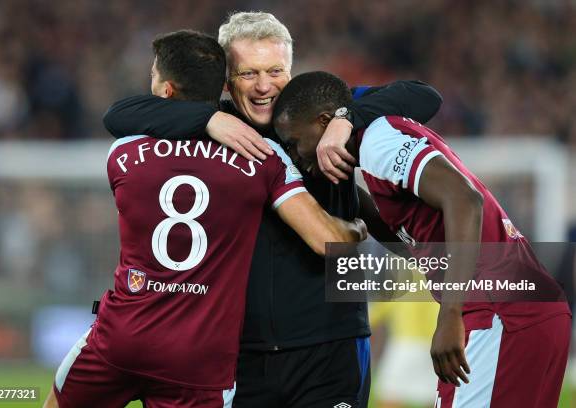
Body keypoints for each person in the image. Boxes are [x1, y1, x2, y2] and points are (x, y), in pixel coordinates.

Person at [103, 12, 443, 407]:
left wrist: (346, 120)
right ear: (227, 80)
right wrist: (210, 119)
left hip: (330, 346)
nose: (265, 86)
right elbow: (119, 115)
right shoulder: (210, 127)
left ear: (291, 69)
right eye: (249, 74)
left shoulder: (324, 110)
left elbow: (424, 96)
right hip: (240, 353)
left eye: (275, 70)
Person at [44, 32, 367, 408]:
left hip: (123, 334)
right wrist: (356, 226)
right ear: (224, 87)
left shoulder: (124, 152)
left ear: (166, 90)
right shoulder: (262, 158)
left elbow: (120, 116)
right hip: (198, 357)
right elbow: (328, 241)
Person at [272, 70, 572, 407]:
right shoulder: (375, 150)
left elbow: (464, 199)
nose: (297, 157)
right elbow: (412, 243)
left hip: (497, 311)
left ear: (325, 121)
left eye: (296, 143)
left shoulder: (378, 140)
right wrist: (350, 200)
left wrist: (450, 314)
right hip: (528, 309)